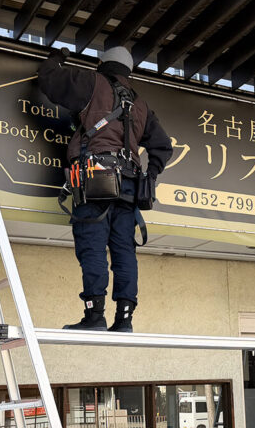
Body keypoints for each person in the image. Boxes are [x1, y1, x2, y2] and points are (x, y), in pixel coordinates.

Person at [37, 45, 172, 332]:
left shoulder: (92, 83)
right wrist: (150, 176)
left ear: (102, 63)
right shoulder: (141, 104)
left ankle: (94, 316)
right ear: (128, 71)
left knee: (93, 246)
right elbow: (163, 146)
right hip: (130, 185)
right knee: (124, 251)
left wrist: (57, 57)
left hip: (95, 179)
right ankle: (124, 319)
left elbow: (49, 79)